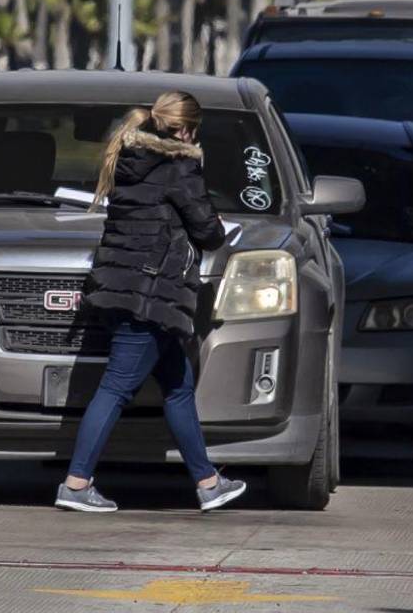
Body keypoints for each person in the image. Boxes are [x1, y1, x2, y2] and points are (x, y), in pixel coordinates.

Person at [55, 91, 245, 513]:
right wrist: (216, 226)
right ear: (187, 128)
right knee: (117, 388)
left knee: (178, 388)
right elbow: (208, 231)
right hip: (150, 295)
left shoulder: (130, 161)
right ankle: (76, 483)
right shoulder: (179, 167)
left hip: (124, 287)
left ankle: (209, 483)